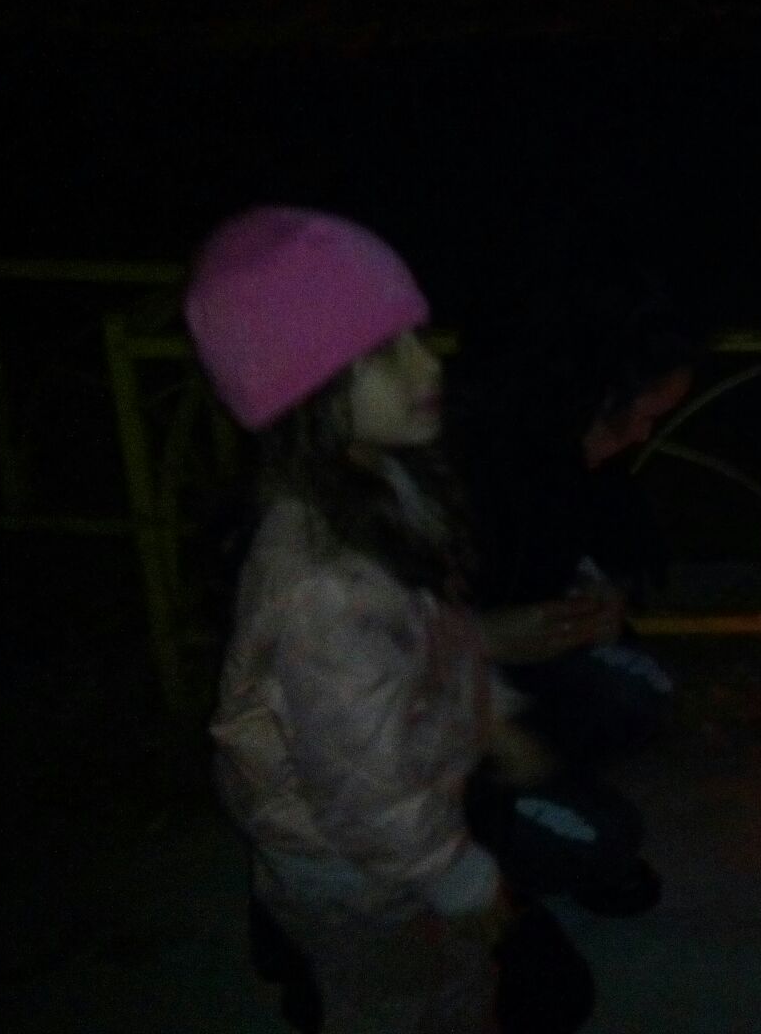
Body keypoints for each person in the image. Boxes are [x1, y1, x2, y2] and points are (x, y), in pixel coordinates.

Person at [185, 206, 553, 1033]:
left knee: (460, 987)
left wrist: (494, 718)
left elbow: (434, 634)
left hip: (403, 822)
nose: (429, 362)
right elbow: (361, 786)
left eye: (416, 335)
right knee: (402, 1006)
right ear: (302, 390)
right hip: (358, 870)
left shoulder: (381, 482)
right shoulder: (322, 588)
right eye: (385, 351)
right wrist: (459, 876)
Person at [450, 261, 703, 918]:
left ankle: (527, 803)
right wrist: (477, 638)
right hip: (419, 713)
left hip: (494, 685)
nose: (643, 436)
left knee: (638, 688)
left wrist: (600, 595)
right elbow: (362, 644)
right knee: (605, 841)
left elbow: (592, 547)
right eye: (638, 417)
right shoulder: (461, 466)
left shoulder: (567, 461)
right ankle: (479, 833)